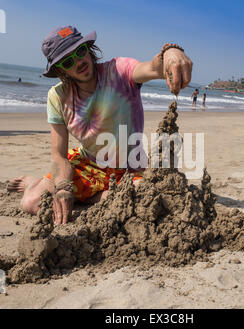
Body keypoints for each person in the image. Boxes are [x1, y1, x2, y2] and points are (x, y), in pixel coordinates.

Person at [7, 26, 193, 226]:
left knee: (142, 199)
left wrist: (172, 52)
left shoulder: (120, 71)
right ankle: (35, 184)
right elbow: (58, 155)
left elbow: (155, 68)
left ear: (88, 48)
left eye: (80, 51)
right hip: (88, 164)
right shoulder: (58, 97)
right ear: (61, 70)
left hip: (129, 167)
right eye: (68, 61)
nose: (79, 62)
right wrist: (63, 187)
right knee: (31, 202)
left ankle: (93, 197)